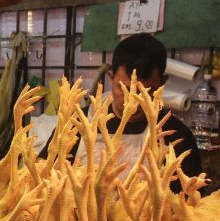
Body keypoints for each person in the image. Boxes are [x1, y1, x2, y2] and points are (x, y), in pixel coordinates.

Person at [39, 33, 202, 189]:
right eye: (123, 89)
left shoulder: (176, 136)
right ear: (111, 77)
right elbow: (43, 174)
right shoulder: (78, 122)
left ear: (162, 83)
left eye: (146, 91)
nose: (133, 102)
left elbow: (188, 204)